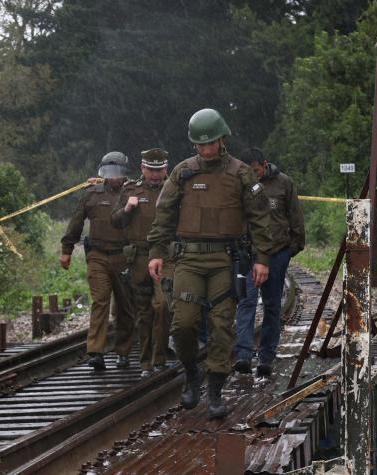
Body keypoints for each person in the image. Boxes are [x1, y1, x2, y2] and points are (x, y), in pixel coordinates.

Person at [147, 108, 274, 419]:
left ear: (222, 139)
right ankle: (192, 372)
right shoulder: (182, 172)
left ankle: (215, 386)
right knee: (184, 323)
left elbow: (260, 217)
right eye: (200, 145)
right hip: (188, 258)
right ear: (194, 145)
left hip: (225, 259)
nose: (206, 150)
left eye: (211, 143)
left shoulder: (241, 173)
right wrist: (156, 251)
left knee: (221, 326)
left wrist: (262, 259)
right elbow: (163, 213)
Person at [61, 151, 136, 371]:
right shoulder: (91, 194)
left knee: (125, 306)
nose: (113, 178)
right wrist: (66, 249)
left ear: (124, 174)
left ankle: (123, 351)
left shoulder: (133, 192)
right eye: (109, 173)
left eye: (117, 173)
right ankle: (95, 351)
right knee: (100, 300)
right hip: (97, 256)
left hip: (124, 256)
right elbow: (76, 222)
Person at [233, 147, 305, 377]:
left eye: (256, 171)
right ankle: (243, 354)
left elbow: (295, 218)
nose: (253, 176)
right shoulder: (238, 184)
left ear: (264, 164)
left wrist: (291, 249)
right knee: (246, 302)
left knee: (272, 306)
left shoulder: (284, 183)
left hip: (276, 253)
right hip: (248, 254)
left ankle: (266, 356)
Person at [111, 148, 171, 377]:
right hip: (138, 259)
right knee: (143, 313)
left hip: (166, 257)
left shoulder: (173, 189)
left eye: (160, 169)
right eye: (151, 170)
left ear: (166, 168)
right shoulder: (131, 190)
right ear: (142, 169)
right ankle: (146, 362)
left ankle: (160, 357)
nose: (155, 174)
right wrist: (127, 208)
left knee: (162, 307)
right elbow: (115, 221)